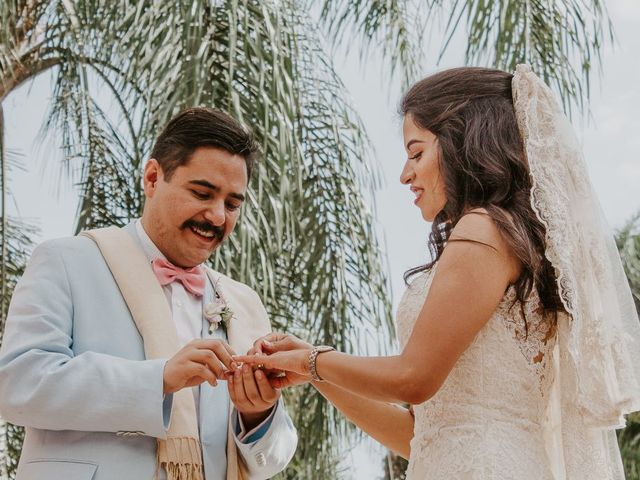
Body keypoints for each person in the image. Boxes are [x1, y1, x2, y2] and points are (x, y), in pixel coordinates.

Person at [236, 66, 640, 479]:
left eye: (416, 153)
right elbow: (420, 435)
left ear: (463, 142)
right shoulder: (507, 236)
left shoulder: (484, 229)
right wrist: (316, 372)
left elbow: (413, 377)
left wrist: (312, 360)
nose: (404, 174)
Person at [0, 107, 297, 480]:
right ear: (153, 178)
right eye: (202, 193)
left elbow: (274, 456)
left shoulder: (244, 304)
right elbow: (18, 385)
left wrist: (258, 415)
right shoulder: (65, 261)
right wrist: (159, 379)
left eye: (232, 204)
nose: (218, 216)